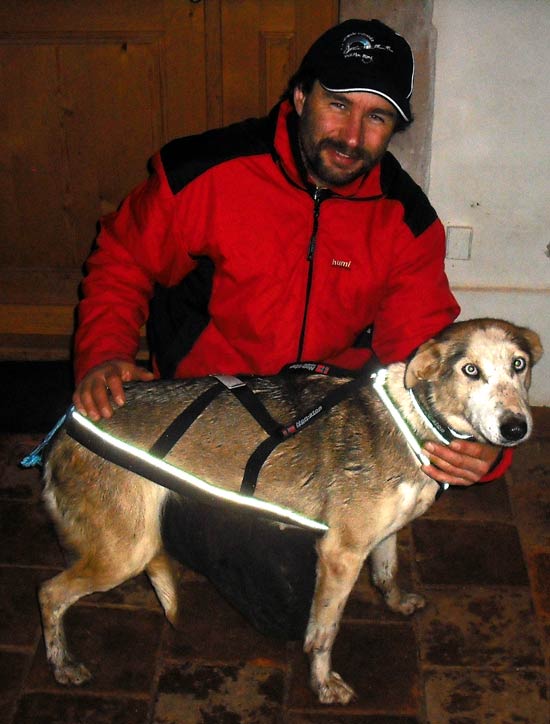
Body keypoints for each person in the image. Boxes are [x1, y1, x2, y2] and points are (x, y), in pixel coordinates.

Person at [72, 18, 510, 485]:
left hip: (328, 419)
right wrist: (104, 353)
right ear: (301, 97)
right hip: (205, 402)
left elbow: (425, 351)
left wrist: (483, 439)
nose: (351, 137)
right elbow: (123, 261)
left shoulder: (407, 221)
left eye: (377, 117)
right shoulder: (203, 172)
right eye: (338, 104)